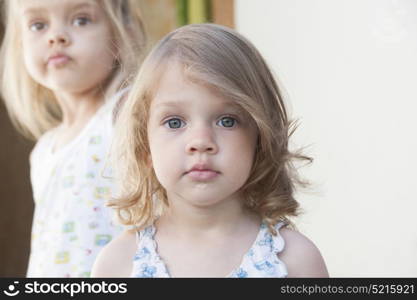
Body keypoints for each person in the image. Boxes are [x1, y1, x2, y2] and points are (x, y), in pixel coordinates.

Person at [92, 23, 328, 278]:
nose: (201, 141)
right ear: (145, 147)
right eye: (175, 122)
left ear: (261, 139)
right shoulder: (118, 265)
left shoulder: (295, 260)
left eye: (227, 121)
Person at [0, 0, 146, 277]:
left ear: (123, 31)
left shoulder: (126, 115)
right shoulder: (43, 151)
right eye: (38, 25)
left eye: (81, 20)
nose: (56, 36)